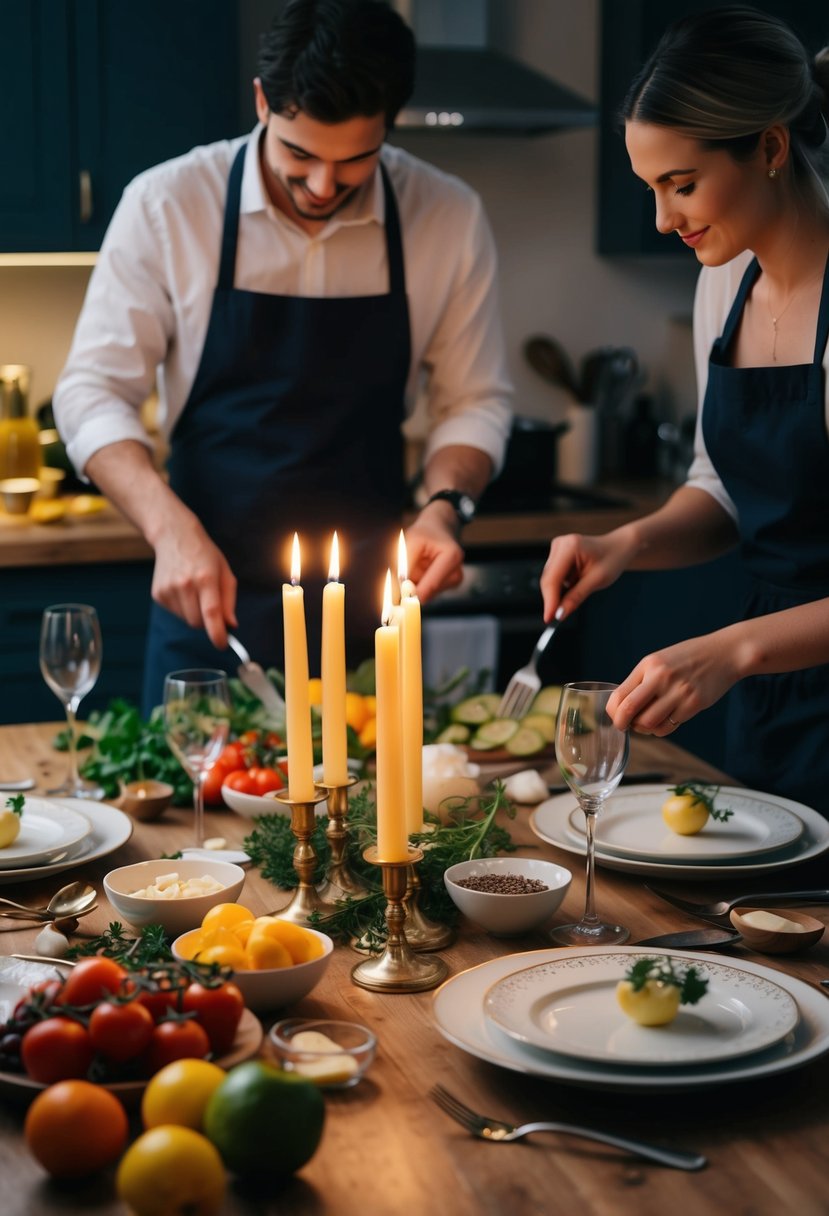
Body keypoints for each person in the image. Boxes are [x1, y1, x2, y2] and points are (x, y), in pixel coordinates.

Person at [53, 0, 512, 713]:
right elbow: (90, 392)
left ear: (390, 123)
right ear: (262, 101)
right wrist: (166, 528)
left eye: (353, 160)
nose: (323, 187)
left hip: (371, 619)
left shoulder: (446, 216)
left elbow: (475, 400)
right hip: (206, 603)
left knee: (371, 821)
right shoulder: (169, 205)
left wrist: (444, 508)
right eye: (300, 154)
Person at [540, 6, 829, 810]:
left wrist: (730, 652)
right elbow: (724, 489)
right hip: (771, 687)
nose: (665, 219)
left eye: (682, 184)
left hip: (766, 657)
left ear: (769, 147)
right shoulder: (721, 281)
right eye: (650, 189)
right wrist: (623, 543)